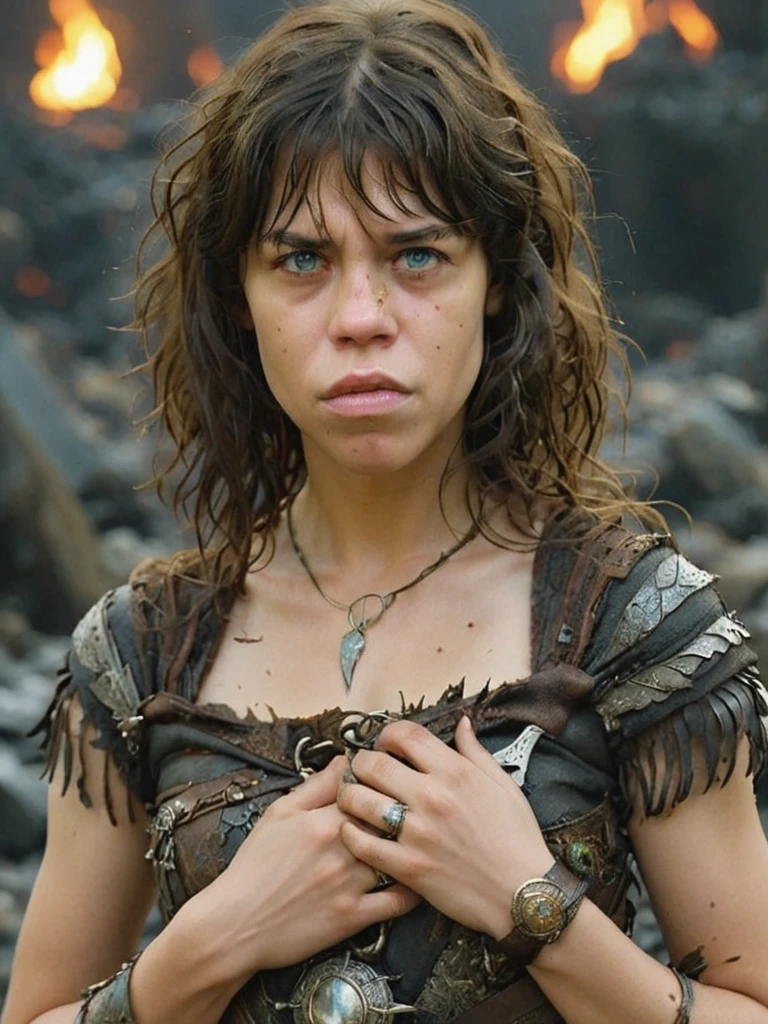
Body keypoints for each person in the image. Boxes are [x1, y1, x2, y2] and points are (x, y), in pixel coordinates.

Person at [4, 0, 768, 1022]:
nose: (361, 319)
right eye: (302, 260)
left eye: (416, 256)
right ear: (237, 296)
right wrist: (210, 944)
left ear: (496, 279)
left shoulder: (630, 626)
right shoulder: (145, 655)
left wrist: (530, 904)